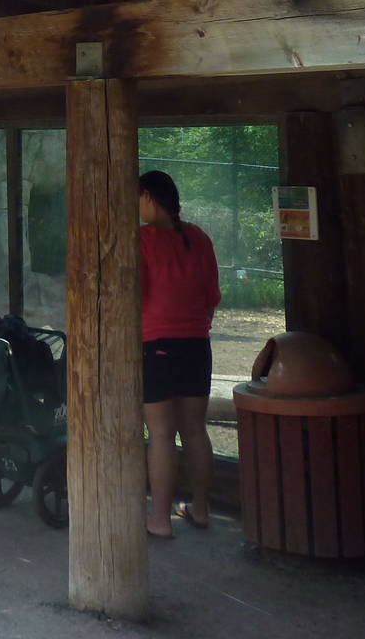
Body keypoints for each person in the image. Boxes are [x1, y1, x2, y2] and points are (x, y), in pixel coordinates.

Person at [139, 168, 221, 538]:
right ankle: (201, 509)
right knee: (194, 430)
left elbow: (134, 295)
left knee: (160, 434)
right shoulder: (199, 238)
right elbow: (211, 297)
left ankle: (159, 519)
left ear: (149, 199)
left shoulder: (142, 240)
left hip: (156, 345)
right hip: (197, 345)